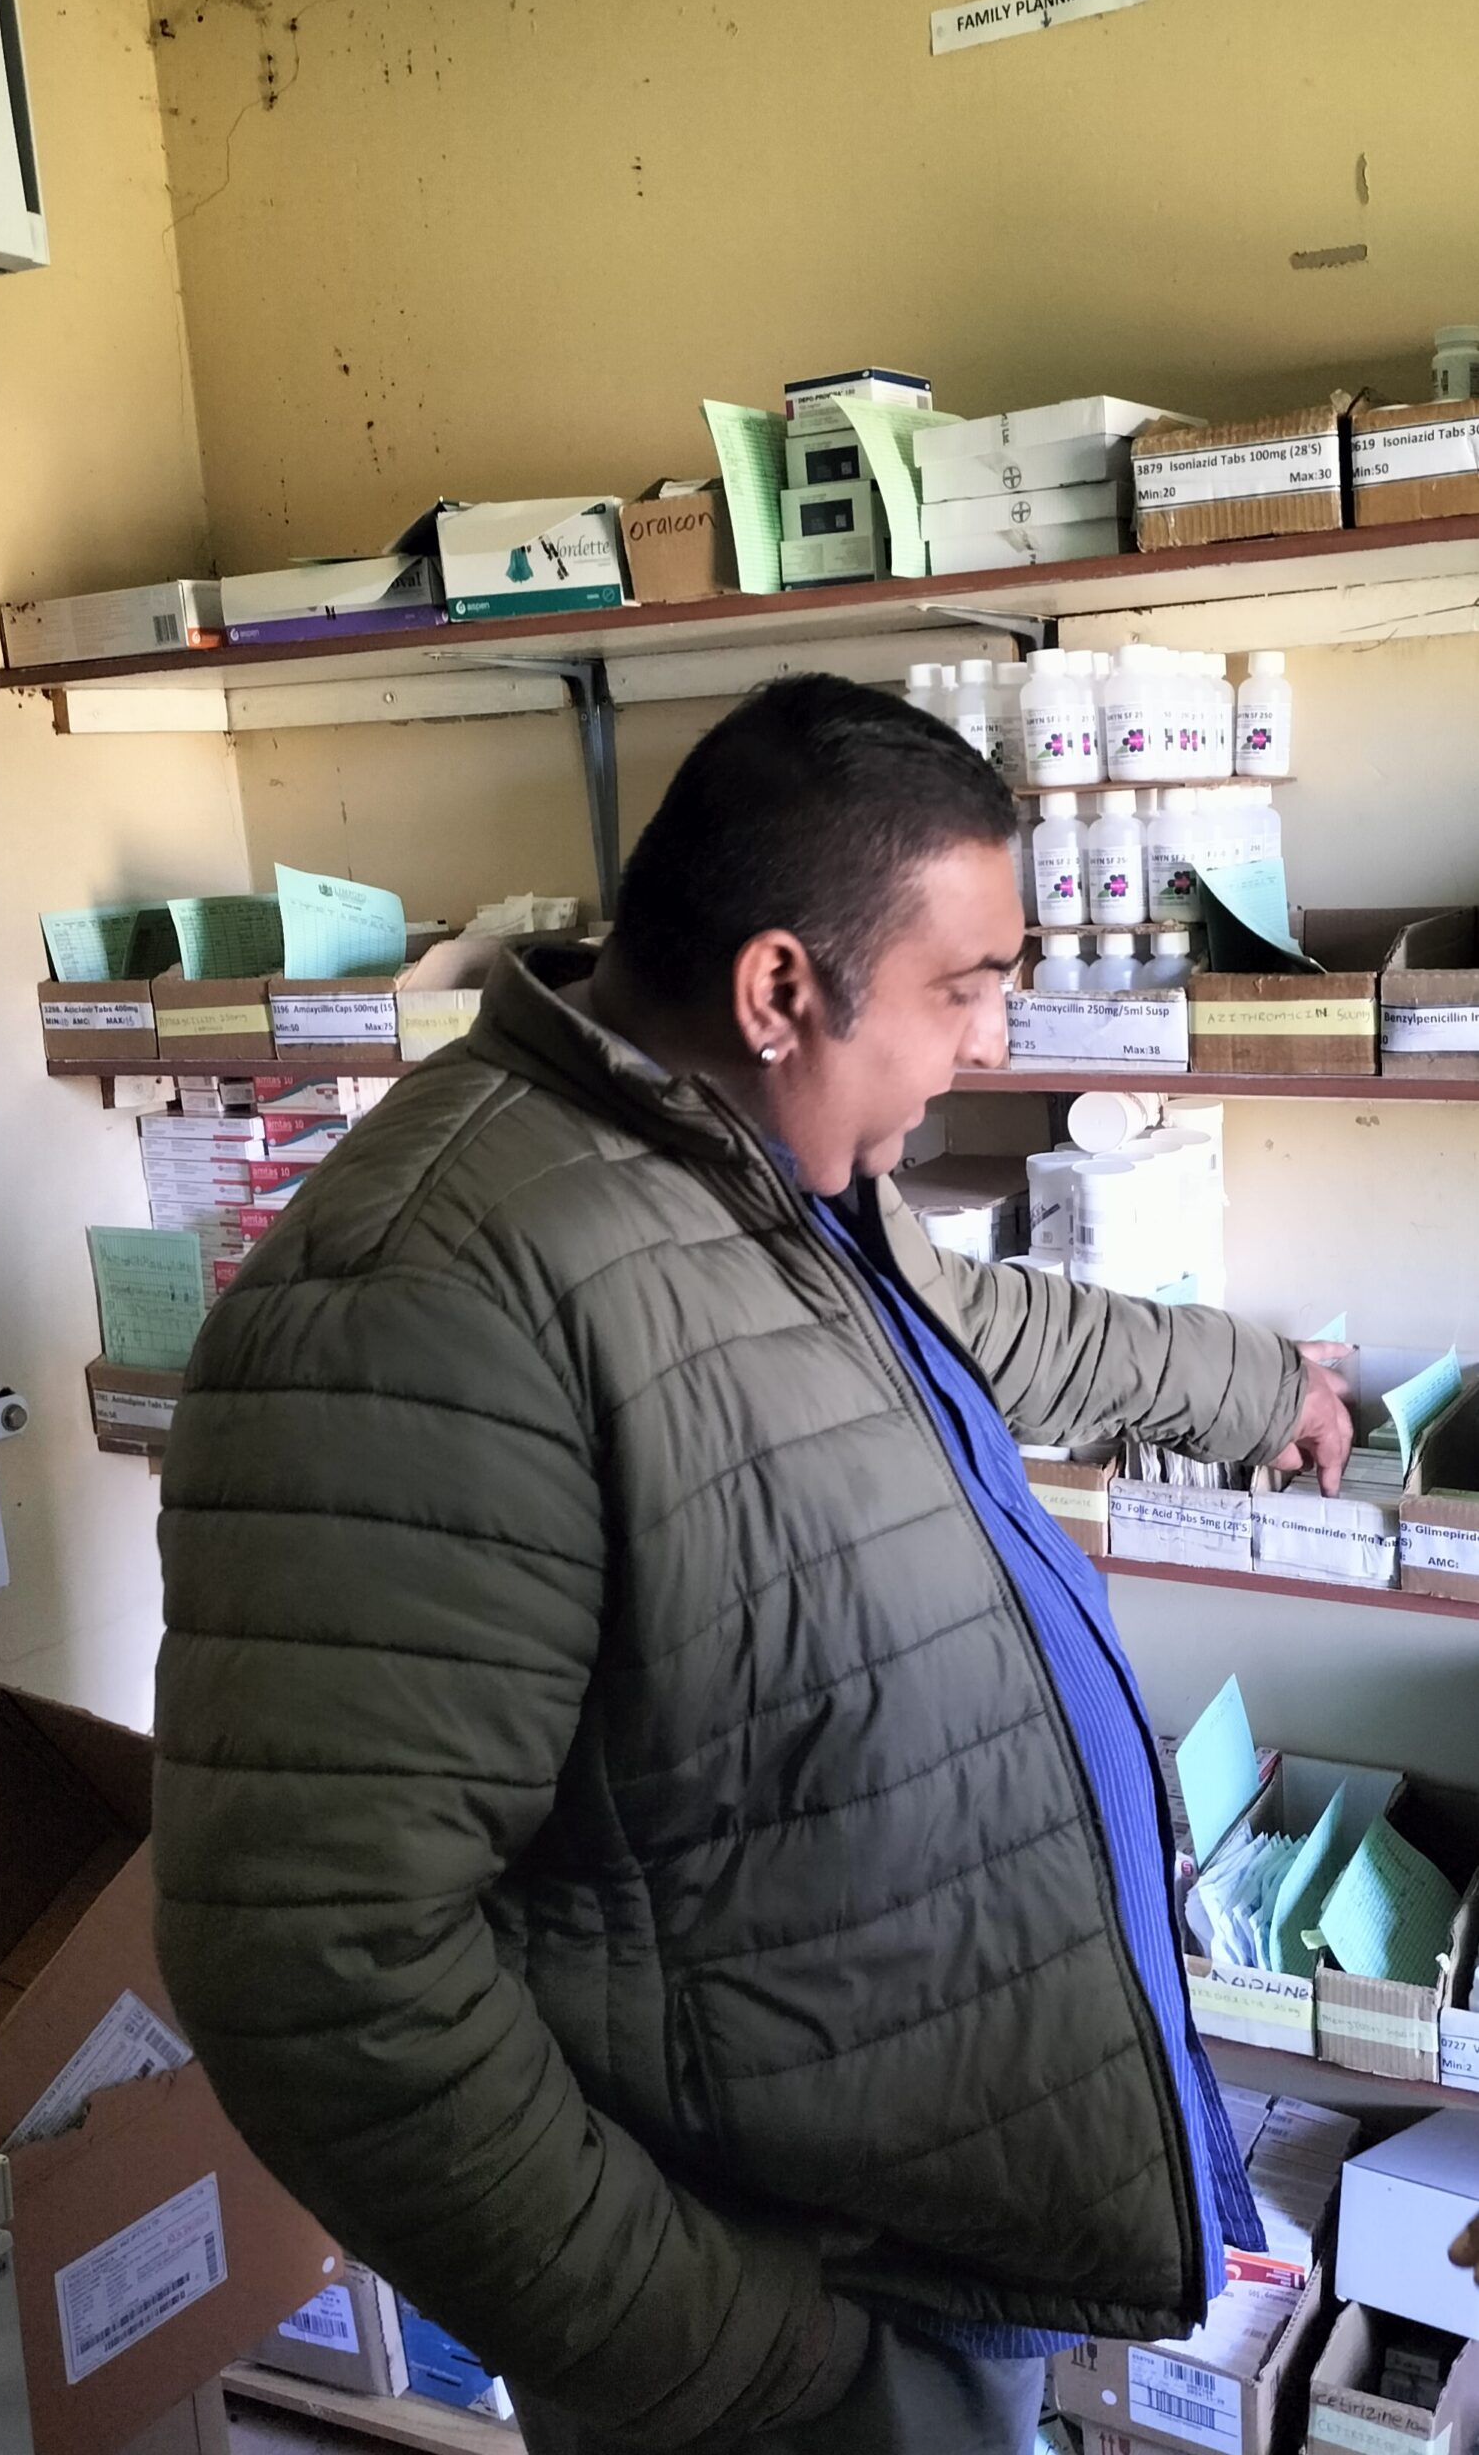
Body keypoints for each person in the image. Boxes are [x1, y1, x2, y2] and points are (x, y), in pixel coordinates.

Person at [153, 675, 1352, 2455]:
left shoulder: (743, 1159)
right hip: (792, 2317)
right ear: (781, 989)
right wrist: (741, 2363)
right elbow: (321, 1971)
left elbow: (969, 1319)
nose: (987, 1042)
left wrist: (1252, 1384)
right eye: (964, 986)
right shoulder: (419, 1295)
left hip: (931, 2224)